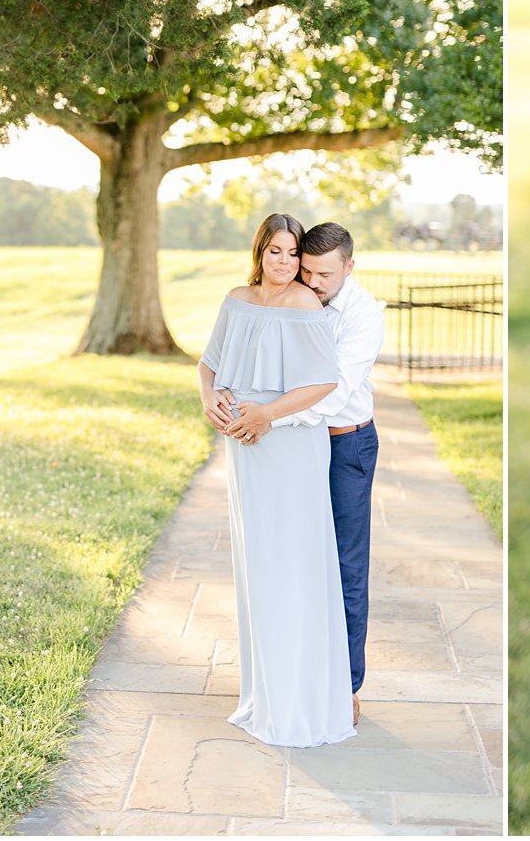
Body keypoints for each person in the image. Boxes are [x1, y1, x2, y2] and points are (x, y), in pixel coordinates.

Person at [197, 212, 354, 749]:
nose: (285, 263)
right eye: (276, 252)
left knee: (294, 563)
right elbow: (208, 364)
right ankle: (263, 694)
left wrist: (266, 415)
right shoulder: (238, 299)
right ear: (260, 251)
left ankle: (300, 703)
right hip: (244, 449)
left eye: (293, 254)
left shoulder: (306, 305)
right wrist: (211, 399)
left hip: (286, 445)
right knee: (259, 564)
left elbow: (324, 382)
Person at [296, 222, 385, 725]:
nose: (313, 281)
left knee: (347, 567)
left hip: (345, 445)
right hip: (299, 447)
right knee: (304, 562)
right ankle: (304, 672)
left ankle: (347, 685)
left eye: (324, 273)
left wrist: (274, 416)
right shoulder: (297, 298)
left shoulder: (363, 314)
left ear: (350, 267)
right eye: (307, 270)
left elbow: (334, 390)